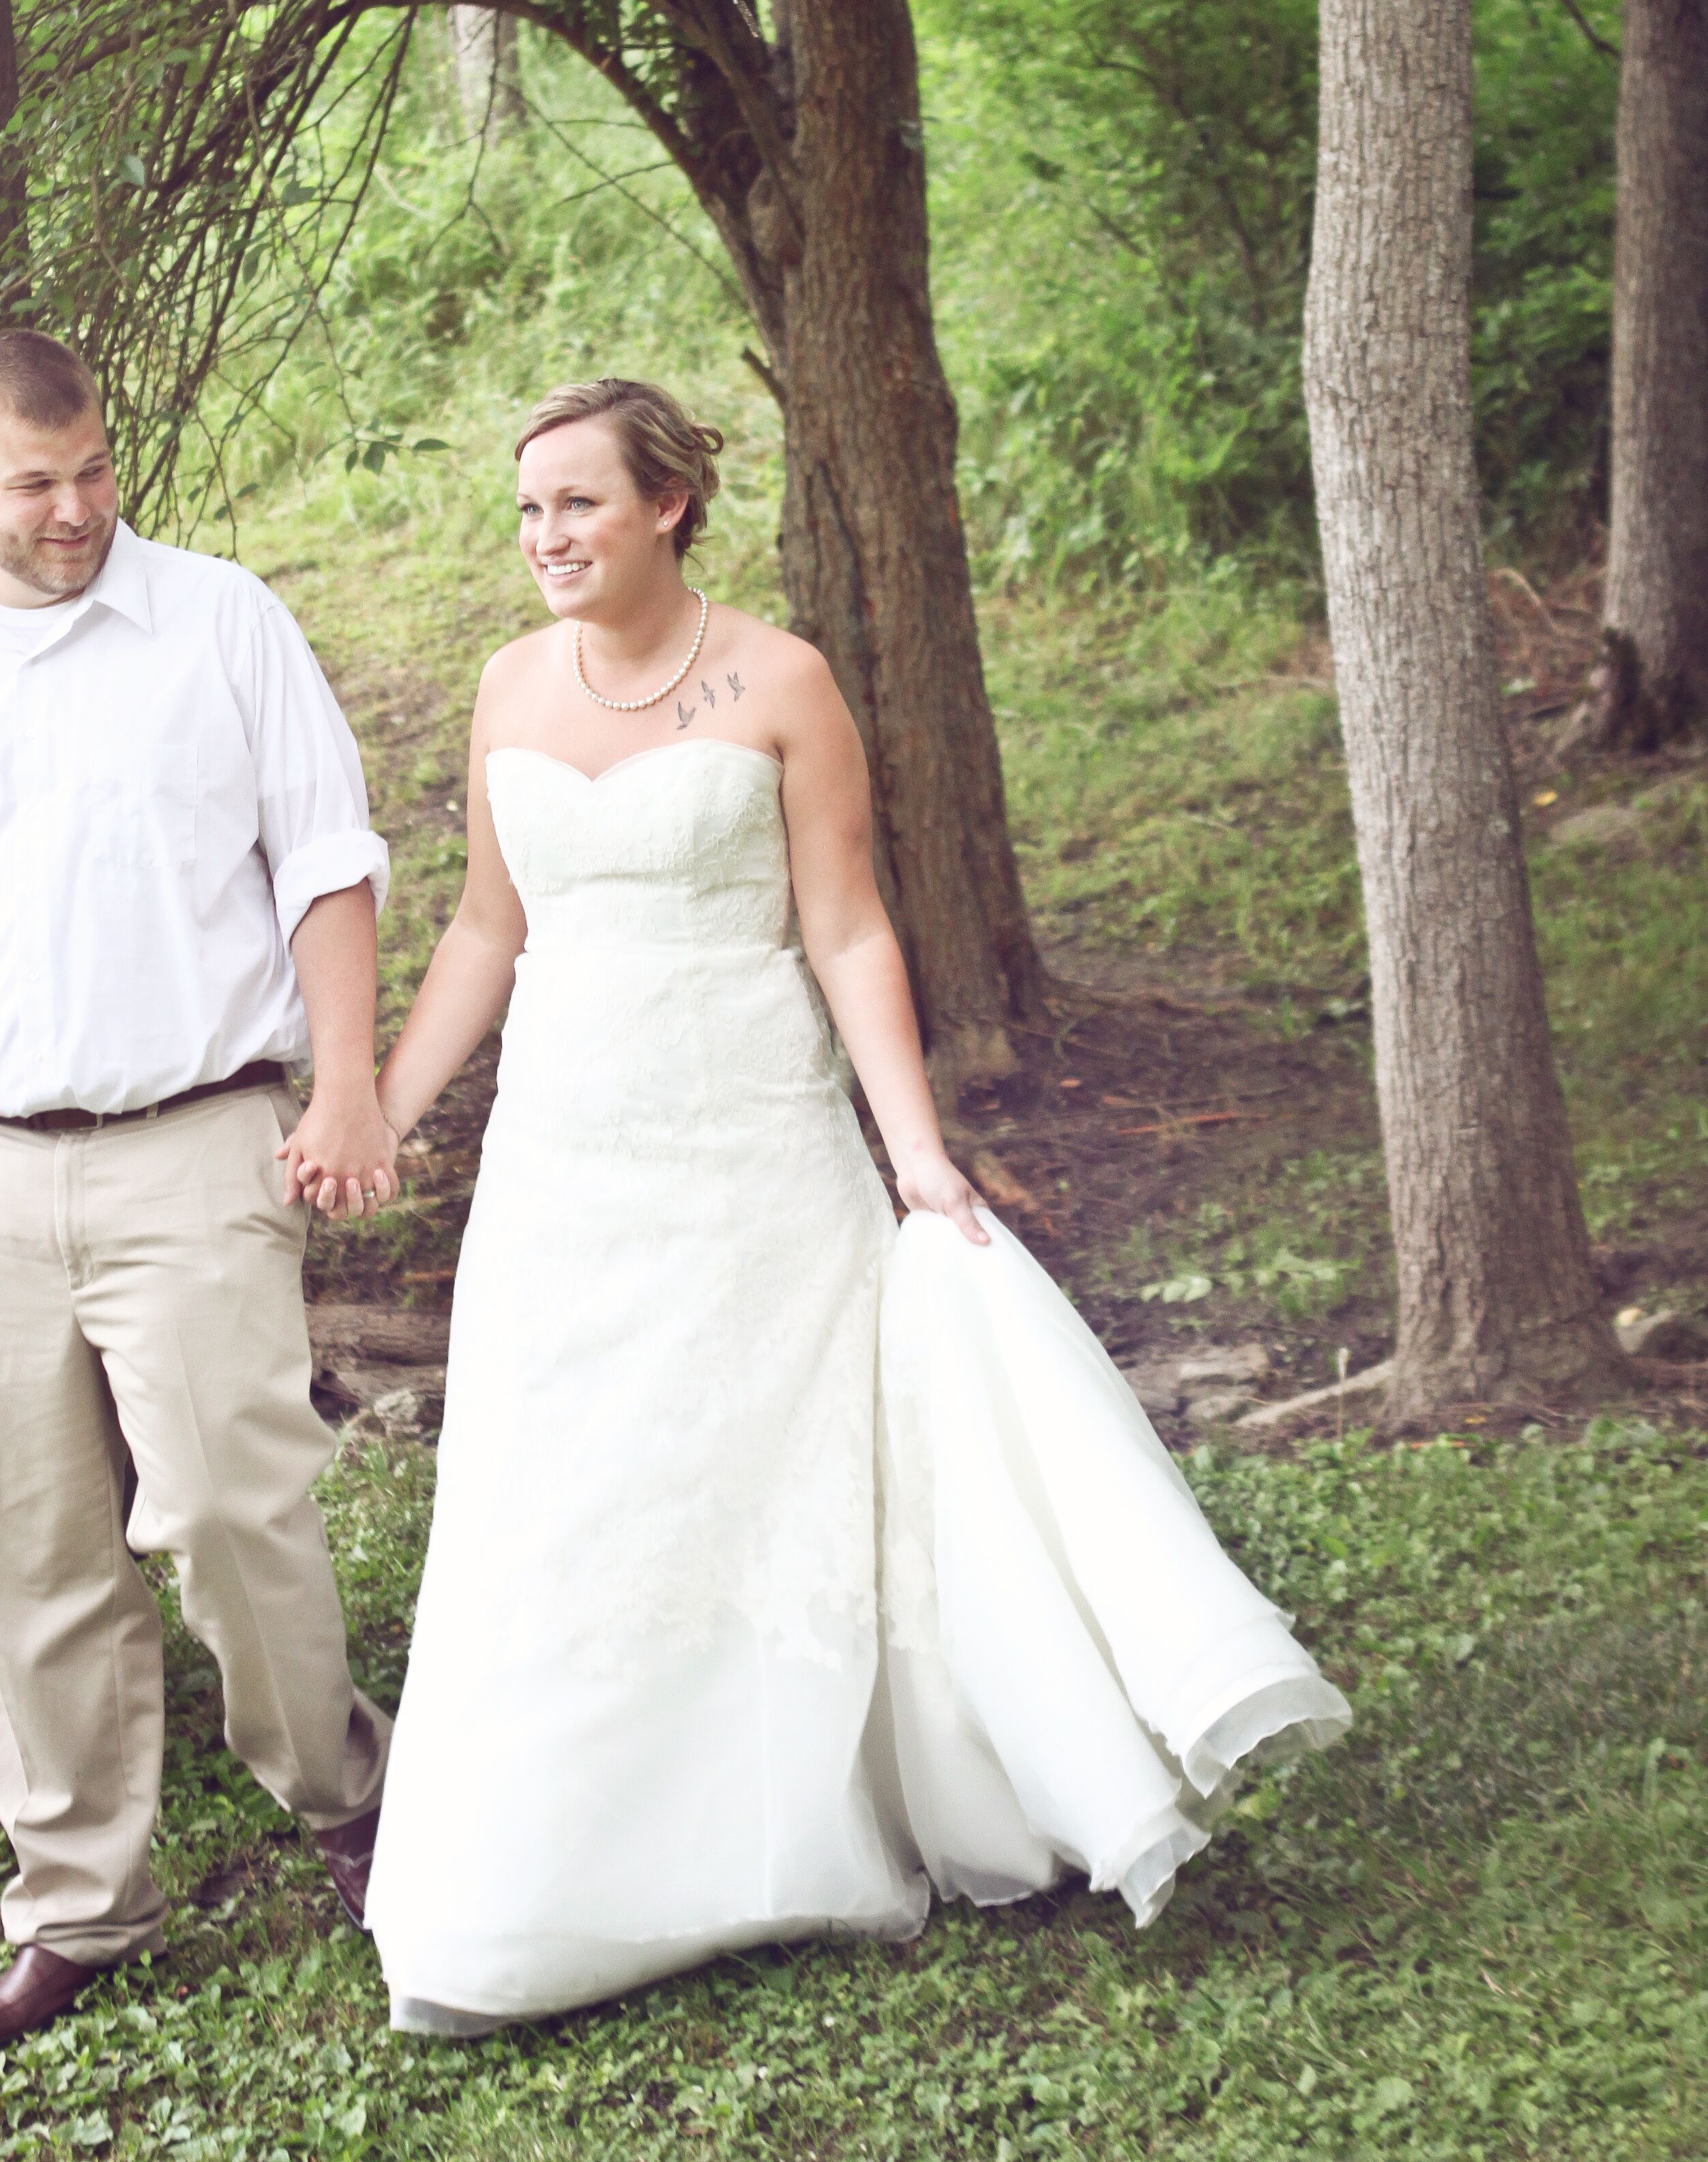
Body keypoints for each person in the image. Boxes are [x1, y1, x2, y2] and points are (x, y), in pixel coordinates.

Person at [351, 376, 1350, 2034]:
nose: (546, 540)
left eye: (578, 506)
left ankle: (779, 1836)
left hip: (750, 1147)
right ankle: (551, 1869)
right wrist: (382, 1110)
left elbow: (850, 930)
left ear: (667, 504)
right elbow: (484, 931)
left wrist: (919, 1153)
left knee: (758, 1475)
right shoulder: (508, 686)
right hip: (562, 1164)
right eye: (528, 511)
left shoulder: (783, 681)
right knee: (566, 1488)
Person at [0, 329, 403, 2053]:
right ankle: (78, 1907)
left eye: (94, 473)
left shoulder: (223, 624)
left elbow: (328, 860)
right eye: (34, 487)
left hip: (194, 1141)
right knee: (32, 1555)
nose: (74, 513)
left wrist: (349, 1078)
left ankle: (348, 1802)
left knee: (229, 1513)